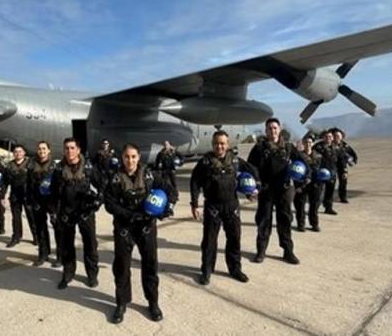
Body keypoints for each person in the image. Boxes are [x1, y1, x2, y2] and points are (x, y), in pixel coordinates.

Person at [105, 143, 177, 324]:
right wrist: (129, 215)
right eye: (126, 157)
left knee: (150, 265)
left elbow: (170, 190)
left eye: (133, 157)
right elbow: (109, 204)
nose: (130, 160)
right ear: (122, 158)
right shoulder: (115, 178)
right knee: (121, 267)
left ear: (138, 158)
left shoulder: (150, 175)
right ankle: (121, 303)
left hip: (146, 227)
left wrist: (167, 207)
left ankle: (153, 302)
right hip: (124, 228)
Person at [190, 130, 258, 285]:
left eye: (222, 143)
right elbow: (195, 182)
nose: (219, 146)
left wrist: (254, 189)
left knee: (234, 239)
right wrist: (194, 204)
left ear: (227, 144)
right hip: (212, 206)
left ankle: (235, 269)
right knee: (209, 241)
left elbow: (252, 171)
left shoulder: (235, 161)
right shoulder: (205, 163)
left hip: (231, 205)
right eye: (216, 143)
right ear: (212, 144)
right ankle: (207, 270)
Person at [51, 137, 105, 289]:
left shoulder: (88, 167)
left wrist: (98, 201)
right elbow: (53, 192)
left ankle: (92, 275)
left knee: (90, 245)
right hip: (66, 212)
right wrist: (53, 211)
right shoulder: (59, 169)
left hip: (85, 212)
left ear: (78, 150)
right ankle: (68, 273)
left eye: (72, 148)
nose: (69, 151)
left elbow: (102, 184)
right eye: (67, 148)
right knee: (67, 246)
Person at [247, 118, 302, 264]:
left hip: (284, 190)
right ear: (266, 131)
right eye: (270, 128)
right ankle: (261, 251)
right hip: (266, 190)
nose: (273, 131)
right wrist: (251, 188)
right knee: (264, 221)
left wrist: (303, 180)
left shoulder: (288, 147)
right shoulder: (259, 148)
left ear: (279, 129)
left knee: (285, 221)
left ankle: (288, 251)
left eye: (275, 128)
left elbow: (301, 162)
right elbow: (250, 168)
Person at [27, 141, 61, 267]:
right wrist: (30, 201)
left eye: (44, 149)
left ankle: (60, 256)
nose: (42, 151)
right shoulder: (32, 166)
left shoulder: (55, 166)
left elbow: (59, 186)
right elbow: (29, 185)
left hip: (52, 202)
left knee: (58, 230)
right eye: (39, 149)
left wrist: (57, 204)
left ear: (49, 150)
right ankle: (43, 253)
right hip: (38, 202)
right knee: (41, 229)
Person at [3, 145, 37, 248]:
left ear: (24, 153)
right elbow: (5, 182)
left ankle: (36, 237)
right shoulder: (9, 166)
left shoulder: (31, 164)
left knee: (32, 217)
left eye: (20, 151)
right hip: (15, 195)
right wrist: (2, 196)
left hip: (28, 195)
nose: (18, 153)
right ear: (13, 153)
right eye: (16, 151)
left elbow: (35, 180)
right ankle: (16, 237)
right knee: (16, 218)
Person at [293, 135, 322, 232]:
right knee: (300, 205)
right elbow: (295, 170)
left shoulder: (318, 156)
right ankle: (301, 225)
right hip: (302, 184)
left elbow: (323, 169)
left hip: (315, 184)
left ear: (313, 143)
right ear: (303, 144)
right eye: (306, 142)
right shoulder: (298, 156)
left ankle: (314, 224)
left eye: (310, 142)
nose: (308, 144)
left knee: (314, 205)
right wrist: (297, 186)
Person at [314, 130, 340, 215]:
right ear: (323, 138)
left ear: (332, 138)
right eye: (326, 137)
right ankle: (315, 208)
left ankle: (328, 208)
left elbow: (340, 159)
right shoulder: (317, 147)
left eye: (330, 137)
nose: (328, 138)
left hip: (332, 173)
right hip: (320, 173)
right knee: (318, 192)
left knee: (330, 192)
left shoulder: (336, 147)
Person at [333, 128, 358, 203]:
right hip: (332, 166)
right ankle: (328, 198)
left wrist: (353, 162)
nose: (337, 138)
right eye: (335, 136)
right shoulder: (329, 145)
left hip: (342, 167)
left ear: (342, 137)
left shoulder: (345, 145)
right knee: (330, 183)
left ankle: (343, 197)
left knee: (343, 182)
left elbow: (353, 154)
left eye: (338, 136)